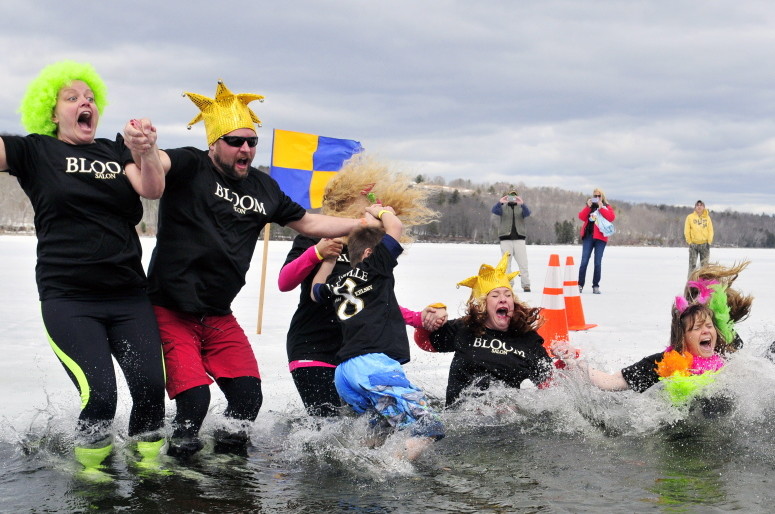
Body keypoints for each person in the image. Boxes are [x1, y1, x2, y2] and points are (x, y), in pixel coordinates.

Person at [123, 80, 381, 459]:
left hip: (217, 314)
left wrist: (358, 225)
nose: (245, 148)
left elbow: (309, 224)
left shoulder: (264, 187)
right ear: (214, 143)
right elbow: (157, 167)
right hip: (171, 309)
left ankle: (230, 468)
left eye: (251, 141)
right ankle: (175, 474)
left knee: (247, 398)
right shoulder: (191, 164)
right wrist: (142, 149)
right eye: (235, 141)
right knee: (194, 401)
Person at [0, 61, 167, 472]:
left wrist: (144, 150)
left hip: (128, 295)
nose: (84, 103)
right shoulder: (36, 149)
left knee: (150, 389)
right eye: (72, 98)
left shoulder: (113, 151)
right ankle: (92, 474)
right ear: (53, 112)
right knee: (101, 396)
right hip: (70, 299)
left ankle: (148, 471)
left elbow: (152, 187)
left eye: (89, 98)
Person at [279, 157, 443, 417]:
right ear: (344, 201)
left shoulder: (366, 247)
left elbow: (374, 300)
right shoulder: (314, 236)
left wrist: (417, 319)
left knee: (361, 429)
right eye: (366, 200)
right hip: (313, 346)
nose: (372, 206)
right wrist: (316, 253)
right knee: (327, 427)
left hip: (355, 352)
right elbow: (284, 282)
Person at [310, 204, 445, 459]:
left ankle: (363, 468)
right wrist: (380, 210)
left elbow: (316, 291)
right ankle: (391, 469)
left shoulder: (339, 283)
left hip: (345, 373)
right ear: (371, 252)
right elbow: (396, 227)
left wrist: (328, 261)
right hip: (373, 366)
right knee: (428, 425)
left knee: (380, 431)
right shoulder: (375, 267)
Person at [553, 262, 752, 407]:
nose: (706, 330)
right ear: (682, 336)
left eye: (708, 325)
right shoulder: (662, 364)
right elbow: (609, 382)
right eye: (697, 327)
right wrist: (574, 360)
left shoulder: (728, 352)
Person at [413, 253, 553, 406]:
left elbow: (551, 384)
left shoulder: (527, 339)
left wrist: (568, 361)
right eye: (495, 295)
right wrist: (434, 316)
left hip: (507, 422)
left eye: (508, 294)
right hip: (460, 420)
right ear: (483, 305)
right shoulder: (465, 328)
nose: (503, 299)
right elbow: (424, 342)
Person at [491, 188, 531, 292]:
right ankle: (509, 284)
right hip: (505, 239)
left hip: (519, 239)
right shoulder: (502, 208)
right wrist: (500, 202)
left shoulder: (521, 208)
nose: (513, 199)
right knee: (506, 264)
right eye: (510, 196)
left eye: (514, 196)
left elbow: (527, 213)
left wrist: (522, 203)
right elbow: (494, 211)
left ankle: (526, 284)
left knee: (523, 263)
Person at [577, 188, 615, 294]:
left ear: (602, 197)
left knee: (597, 263)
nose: (597, 198)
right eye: (595, 196)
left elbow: (611, 217)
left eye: (599, 196)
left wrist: (601, 207)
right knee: (584, 261)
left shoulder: (606, 207)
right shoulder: (590, 207)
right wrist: (588, 207)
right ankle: (580, 284)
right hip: (588, 237)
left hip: (601, 238)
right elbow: (581, 217)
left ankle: (595, 285)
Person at [684, 200, 714, 278]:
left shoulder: (707, 218)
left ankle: (705, 284)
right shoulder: (690, 217)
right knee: (692, 266)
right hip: (693, 244)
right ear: (695, 207)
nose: (699, 206)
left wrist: (709, 242)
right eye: (698, 205)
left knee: (705, 267)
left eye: (701, 205)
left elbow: (710, 230)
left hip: (705, 245)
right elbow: (686, 230)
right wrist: (689, 241)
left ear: (704, 207)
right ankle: (690, 284)